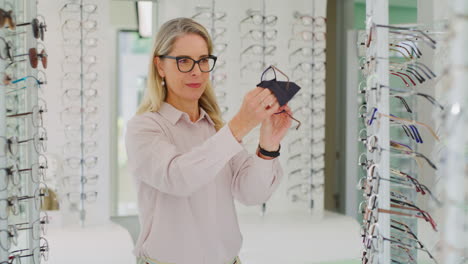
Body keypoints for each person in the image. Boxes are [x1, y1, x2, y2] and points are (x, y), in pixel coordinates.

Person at [125, 17, 293, 264]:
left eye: (203, 61)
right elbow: (179, 178)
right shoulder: (144, 128)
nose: (196, 71)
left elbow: (251, 194)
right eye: (183, 61)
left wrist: (268, 145)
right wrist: (241, 124)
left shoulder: (216, 129)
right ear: (159, 66)